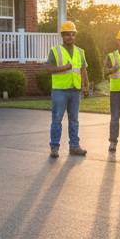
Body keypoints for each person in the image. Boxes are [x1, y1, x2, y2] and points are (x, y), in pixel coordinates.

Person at [46, 21, 90, 158]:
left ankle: (74, 147)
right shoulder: (55, 51)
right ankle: (54, 147)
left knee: (74, 120)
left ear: (75, 36)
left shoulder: (80, 52)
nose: (70, 37)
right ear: (62, 36)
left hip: (75, 90)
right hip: (60, 90)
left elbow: (83, 70)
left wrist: (86, 86)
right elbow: (48, 68)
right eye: (67, 34)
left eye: (72, 34)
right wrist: (63, 67)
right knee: (57, 119)